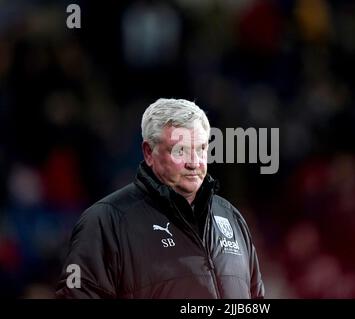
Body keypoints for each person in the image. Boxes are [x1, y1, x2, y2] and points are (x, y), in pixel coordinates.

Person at [55, 98, 265, 298]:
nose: (194, 162)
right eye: (180, 150)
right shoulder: (105, 222)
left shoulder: (230, 217)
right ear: (149, 152)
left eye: (201, 149)